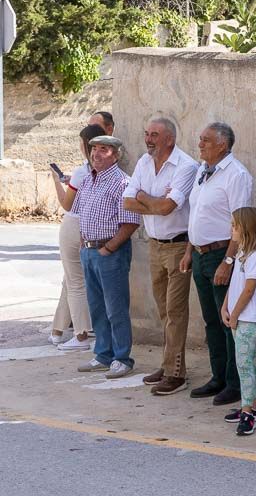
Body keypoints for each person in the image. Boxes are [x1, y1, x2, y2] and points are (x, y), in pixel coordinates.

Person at [122, 117, 199, 395]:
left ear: (170, 139)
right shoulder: (144, 162)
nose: (148, 138)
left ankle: (176, 374)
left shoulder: (186, 166)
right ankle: (169, 366)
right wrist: (155, 202)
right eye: (147, 133)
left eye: (154, 134)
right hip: (155, 245)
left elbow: (170, 208)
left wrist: (146, 198)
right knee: (164, 311)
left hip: (179, 246)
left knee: (176, 312)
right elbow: (128, 202)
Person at [184, 122, 253, 406]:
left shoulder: (236, 175)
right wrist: (189, 251)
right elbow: (196, 214)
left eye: (206, 140)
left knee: (228, 320)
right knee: (211, 319)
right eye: (200, 139)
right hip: (200, 254)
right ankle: (218, 377)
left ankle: (235, 383)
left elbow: (241, 223)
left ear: (222, 144)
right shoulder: (203, 171)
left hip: (220, 254)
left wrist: (228, 260)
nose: (200, 144)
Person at [73, 135, 142, 379]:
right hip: (89, 251)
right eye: (94, 149)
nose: (96, 154)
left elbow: (131, 221)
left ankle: (122, 358)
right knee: (97, 307)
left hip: (110, 252)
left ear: (116, 155)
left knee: (116, 308)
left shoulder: (122, 183)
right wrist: (84, 243)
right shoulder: (88, 180)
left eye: (104, 150)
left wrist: (110, 248)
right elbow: (79, 212)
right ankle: (103, 354)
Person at [48, 124, 105, 350]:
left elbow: (66, 203)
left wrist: (55, 180)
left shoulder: (84, 171)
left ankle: (81, 334)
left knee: (75, 282)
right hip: (90, 226)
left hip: (74, 224)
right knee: (70, 279)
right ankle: (58, 329)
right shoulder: (99, 170)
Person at [221, 207, 256, 437]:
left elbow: (249, 290)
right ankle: (255, 406)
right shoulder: (243, 253)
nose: (231, 229)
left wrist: (235, 315)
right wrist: (226, 306)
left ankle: (247, 413)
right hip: (239, 317)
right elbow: (235, 285)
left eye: (234, 225)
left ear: (246, 228)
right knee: (249, 361)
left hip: (249, 318)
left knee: (243, 364)